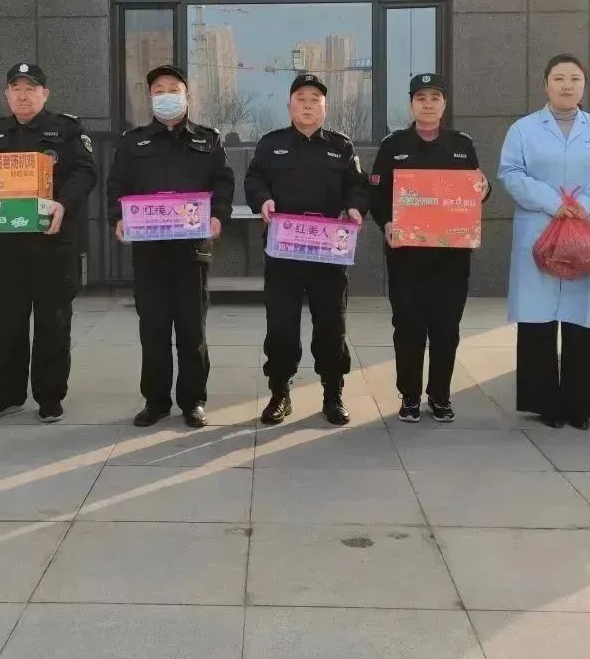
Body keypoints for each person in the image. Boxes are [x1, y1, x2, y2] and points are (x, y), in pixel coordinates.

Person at [498, 54, 590, 430]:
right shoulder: (523, 129)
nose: (567, 85)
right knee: (538, 319)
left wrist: (586, 202)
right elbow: (510, 172)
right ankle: (544, 404)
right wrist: (552, 202)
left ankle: (580, 404)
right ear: (545, 85)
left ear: (584, 86)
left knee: (583, 318)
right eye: (558, 78)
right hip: (540, 225)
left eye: (574, 78)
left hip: (587, 227)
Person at [107, 64, 234, 428]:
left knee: (192, 330)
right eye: (159, 90)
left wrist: (218, 215)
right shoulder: (133, 142)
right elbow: (117, 185)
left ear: (186, 96)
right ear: (150, 98)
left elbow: (223, 182)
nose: (166, 96)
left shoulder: (208, 140)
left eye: (173, 89)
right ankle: (156, 401)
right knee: (154, 329)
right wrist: (118, 217)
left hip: (191, 249)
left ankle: (193, 401)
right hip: (149, 250)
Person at [0, 62, 97, 423]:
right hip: (7, 246)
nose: (23, 95)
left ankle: (50, 396)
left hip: (52, 243)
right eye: (16, 89)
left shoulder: (66, 130)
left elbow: (85, 172)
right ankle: (7, 394)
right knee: (8, 323)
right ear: (7, 94)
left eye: (31, 88)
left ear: (45, 93)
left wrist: (63, 203)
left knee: (53, 323)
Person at [245, 72, 370, 426]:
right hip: (283, 251)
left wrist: (355, 207)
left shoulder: (341, 146)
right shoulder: (271, 144)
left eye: (315, 100)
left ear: (325, 108)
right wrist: (263, 199)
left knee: (331, 325)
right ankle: (279, 393)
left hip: (327, 253)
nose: (308, 105)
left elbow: (357, 185)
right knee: (281, 325)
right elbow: (254, 179)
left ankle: (333, 394)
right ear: (289, 106)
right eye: (301, 99)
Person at [369, 73, 490, 424]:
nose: (428, 104)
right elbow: (376, 194)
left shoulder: (461, 145)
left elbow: (476, 190)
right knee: (408, 325)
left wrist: (484, 189)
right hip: (406, 255)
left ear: (444, 104)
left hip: (451, 257)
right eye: (421, 98)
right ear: (411, 104)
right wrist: (386, 223)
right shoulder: (393, 145)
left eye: (435, 98)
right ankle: (409, 395)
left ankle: (440, 395)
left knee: (446, 328)